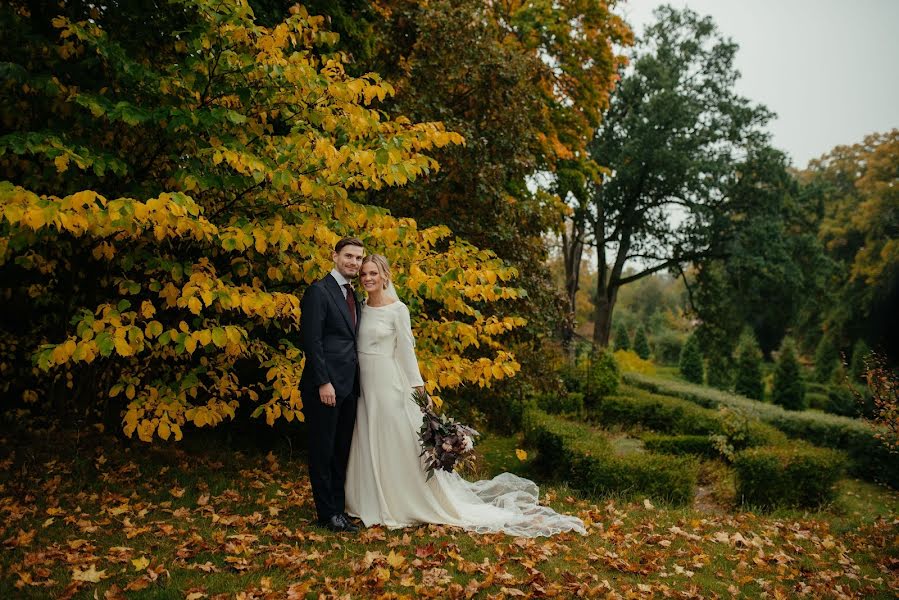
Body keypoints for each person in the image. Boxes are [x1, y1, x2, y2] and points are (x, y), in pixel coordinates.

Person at [345, 255, 587, 537]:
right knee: (367, 437)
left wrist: (419, 389)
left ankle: (398, 501)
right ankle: (368, 499)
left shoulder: (398, 310)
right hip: (363, 384)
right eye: (364, 274)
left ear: (385, 275)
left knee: (390, 439)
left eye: (373, 273)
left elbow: (406, 352)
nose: (368, 278)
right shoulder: (360, 308)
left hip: (388, 383)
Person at [299, 237, 365, 532]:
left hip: (349, 387)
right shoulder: (319, 291)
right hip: (324, 387)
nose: (354, 262)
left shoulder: (354, 295)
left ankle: (339, 510)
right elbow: (312, 342)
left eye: (359, 258)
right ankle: (327, 514)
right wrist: (323, 382)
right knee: (322, 451)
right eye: (349, 256)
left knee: (341, 451)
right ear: (335, 256)